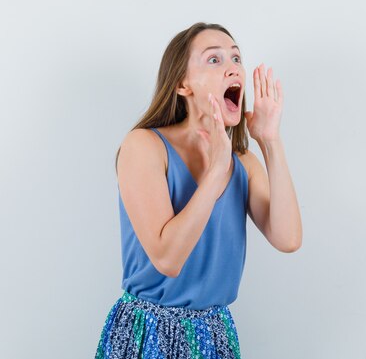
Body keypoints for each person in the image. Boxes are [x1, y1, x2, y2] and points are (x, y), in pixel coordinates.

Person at [94, 22, 303, 358]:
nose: (233, 68)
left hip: (214, 335)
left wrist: (270, 142)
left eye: (236, 58)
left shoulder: (244, 163)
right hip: (146, 334)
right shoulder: (144, 146)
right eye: (214, 60)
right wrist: (215, 174)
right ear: (182, 84)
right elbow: (167, 258)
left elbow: (288, 238)